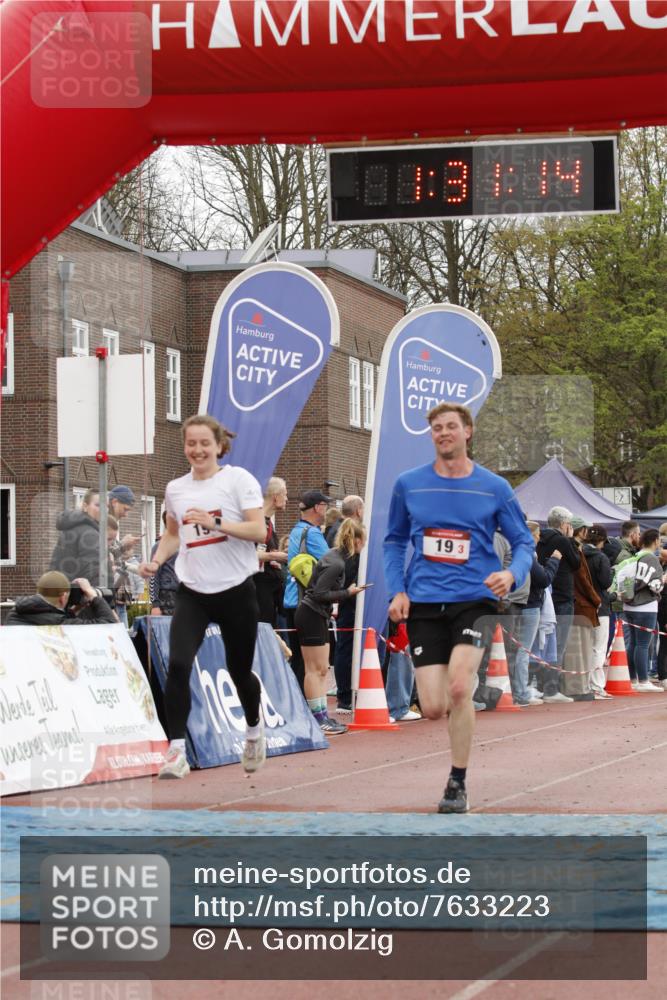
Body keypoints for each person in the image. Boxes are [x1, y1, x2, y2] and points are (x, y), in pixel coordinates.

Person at [384, 402, 533, 814]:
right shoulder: (409, 484)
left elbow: (523, 542)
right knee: (432, 706)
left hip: (475, 598)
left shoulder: (494, 487)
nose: (443, 433)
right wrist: (397, 590)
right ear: (431, 434)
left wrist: (512, 574)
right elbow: (394, 541)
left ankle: (457, 781)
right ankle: (460, 707)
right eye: (436, 428)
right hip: (426, 601)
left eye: (451, 426)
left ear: (467, 431)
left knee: (458, 686)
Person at [139, 414, 267, 779]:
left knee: (239, 670)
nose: (197, 450)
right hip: (193, 591)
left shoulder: (238, 480)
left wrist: (215, 523)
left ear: (219, 447)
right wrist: (157, 559)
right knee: (178, 664)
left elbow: (258, 529)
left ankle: (254, 730)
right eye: (191, 444)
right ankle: (176, 750)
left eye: (204, 444)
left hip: (236, 589)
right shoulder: (176, 489)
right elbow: (173, 534)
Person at [294, 518, 367, 736]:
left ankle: (322, 716)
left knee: (322, 669)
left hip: (316, 614)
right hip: (311, 614)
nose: (364, 545)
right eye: (363, 541)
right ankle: (317, 719)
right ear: (355, 540)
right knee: (314, 670)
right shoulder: (336, 562)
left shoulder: (336, 557)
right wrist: (348, 593)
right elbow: (318, 593)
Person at [283, 490, 331, 691]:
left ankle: (299, 712)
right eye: (325, 506)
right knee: (313, 667)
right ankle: (311, 715)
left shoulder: (296, 531)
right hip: (308, 603)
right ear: (318, 507)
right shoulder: (312, 533)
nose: (327, 510)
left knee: (300, 663)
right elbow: (331, 562)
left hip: (292, 601)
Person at [536, 506, 581, 701]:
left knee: (541, 644)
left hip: (545, 595)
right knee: (558, 645)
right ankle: (551, 688)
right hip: (562, 596)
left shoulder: (540, 538)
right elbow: (576, 563)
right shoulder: (562, 540)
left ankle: (538, 686)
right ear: (564, 525)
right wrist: (571, 540)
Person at [331, 496, 365, 713]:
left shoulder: (337, 549)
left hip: (344, 603)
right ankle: (345, 696)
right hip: (349, 603)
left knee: (345, 648)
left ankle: (346, 695)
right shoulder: (351, 557)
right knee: (346, 648)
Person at [621, 528, 666, 693]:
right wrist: (662, 580)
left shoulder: (635, 556)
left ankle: (633, 679)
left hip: (628, 604)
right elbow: (655, 586)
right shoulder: (651, 559)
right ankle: (644, 679)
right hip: (646, 606)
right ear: (655, 541)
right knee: (643, 644)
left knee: (632, 643)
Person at [561, 517, 601, 701]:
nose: (588, 532)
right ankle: (577, 688)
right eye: (586, 529)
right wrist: (596, 599)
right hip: (581, 606)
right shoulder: (574, 550)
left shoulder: (575, 549)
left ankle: (578, 687)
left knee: (579, 650)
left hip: (578, 605)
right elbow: (582, 578)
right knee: (578, 650)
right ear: (580, 530)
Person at [49, 489, 114, 586]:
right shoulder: (90, 533)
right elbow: (93, 573)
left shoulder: (73, 527)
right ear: (85, 506)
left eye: (107, 506)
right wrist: (98, 597)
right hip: (80, 596)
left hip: (62, 592)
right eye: (98, 505)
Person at [6, 571, 117, 625]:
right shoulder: (58, 623)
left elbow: (49, 613)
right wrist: (92, 595)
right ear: (63, 597)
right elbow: (109, 624)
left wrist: (75, 609)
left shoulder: (15, 612)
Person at [583, 524, 614, 699]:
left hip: (582, 607)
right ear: (601, 540)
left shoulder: (578, 554)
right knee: (598, 648)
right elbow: (605, 582)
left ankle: (585, 684)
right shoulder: (601, 558)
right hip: (600, 606)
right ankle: (596, 686)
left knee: (585, 648)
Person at [253, 477, 288, 627]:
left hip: (270, 592)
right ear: (276, 497)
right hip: (258, 591)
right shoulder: (257, 522)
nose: (287, 498)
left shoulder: (268, 523)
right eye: (285, 494)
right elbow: (246, 554)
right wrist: (274, 556)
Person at [149, 512, 179, 615]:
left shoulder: (185, 546)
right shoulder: (159, 546)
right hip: (166, 596)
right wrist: (155, 605)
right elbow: (154, 576)